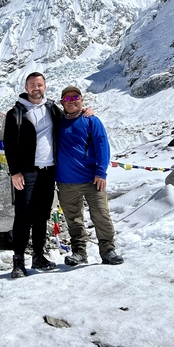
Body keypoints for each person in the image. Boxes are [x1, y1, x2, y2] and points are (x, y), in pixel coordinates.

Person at [3, 73, 93, 278]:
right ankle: (18, 262)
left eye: (40, 85)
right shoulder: (15, 113)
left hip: (49, 170)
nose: (36, 88)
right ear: (26, 86)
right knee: (23, 216)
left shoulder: (52, 108)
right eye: (32, 85)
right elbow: (9, 144)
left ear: (45, 87)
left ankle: (38, 256)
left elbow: (71, 117)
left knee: (42, 215)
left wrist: (86, 111)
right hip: (27, 172)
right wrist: (14, 171)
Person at [55, 85, 124, 266]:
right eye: (68, 99)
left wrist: (101, 172)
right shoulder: (57, 121)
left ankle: (108, 250)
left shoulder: (92, 120)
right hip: (65, 181)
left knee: (101, 215)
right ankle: (79, 252)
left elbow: (103, 146)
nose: (72, 101)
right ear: (62, 102)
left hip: (92, 179)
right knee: (73, 219)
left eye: (75, 98)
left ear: (82, 100)